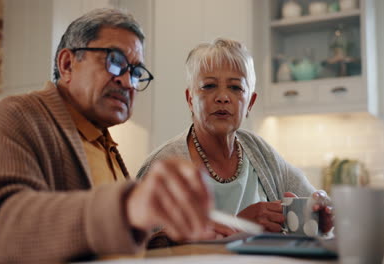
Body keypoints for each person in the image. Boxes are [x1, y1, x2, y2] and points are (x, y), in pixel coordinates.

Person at [0, 8, 213, 264]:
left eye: (136, 72)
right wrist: (126, 207)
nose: (127, 82)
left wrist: (171, 239)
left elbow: (103, 241)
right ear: (67, 64)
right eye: (114, 61)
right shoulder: (20, 115)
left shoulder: (105, 144)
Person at [137, 38, 333, 239]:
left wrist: (320, 218)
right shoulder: (161, 166)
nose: (222, 97)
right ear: (190, 99)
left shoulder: (261, 152)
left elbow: (312, 202)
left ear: (250, 103)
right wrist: (237, 225)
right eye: (209, 86)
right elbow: (141, 248)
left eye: (235, 88)